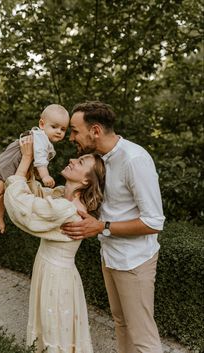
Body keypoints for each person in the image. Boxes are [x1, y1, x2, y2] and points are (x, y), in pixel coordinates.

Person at [61, 101, 166, 353]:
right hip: (109, 255)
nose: (71, 137)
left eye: (75, 131)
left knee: (143, 338)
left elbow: (154, 222)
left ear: (95, 130)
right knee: (121, 324)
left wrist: (102, 227)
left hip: (134, 261)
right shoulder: (100, 159)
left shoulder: (135, 159)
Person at [4, 135, 106, 353]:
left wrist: (25, 161)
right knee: (52, 329)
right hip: (51, 270)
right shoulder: (62, 197)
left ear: (87, 180)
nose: (72, 160)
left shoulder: (68, 210)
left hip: (56, 277)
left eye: (80, 163)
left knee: (54, 331)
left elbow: (22, 206)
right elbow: (41, 194)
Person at [0, 104, 69, 233]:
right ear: (42, 124)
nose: (59, 131)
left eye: (63, 129)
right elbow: (40, 160)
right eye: (54, 127)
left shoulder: (45, 141)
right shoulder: (40, 137)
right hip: (11, 161)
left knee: (6, 189)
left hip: (16, 160)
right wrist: (45, 176)